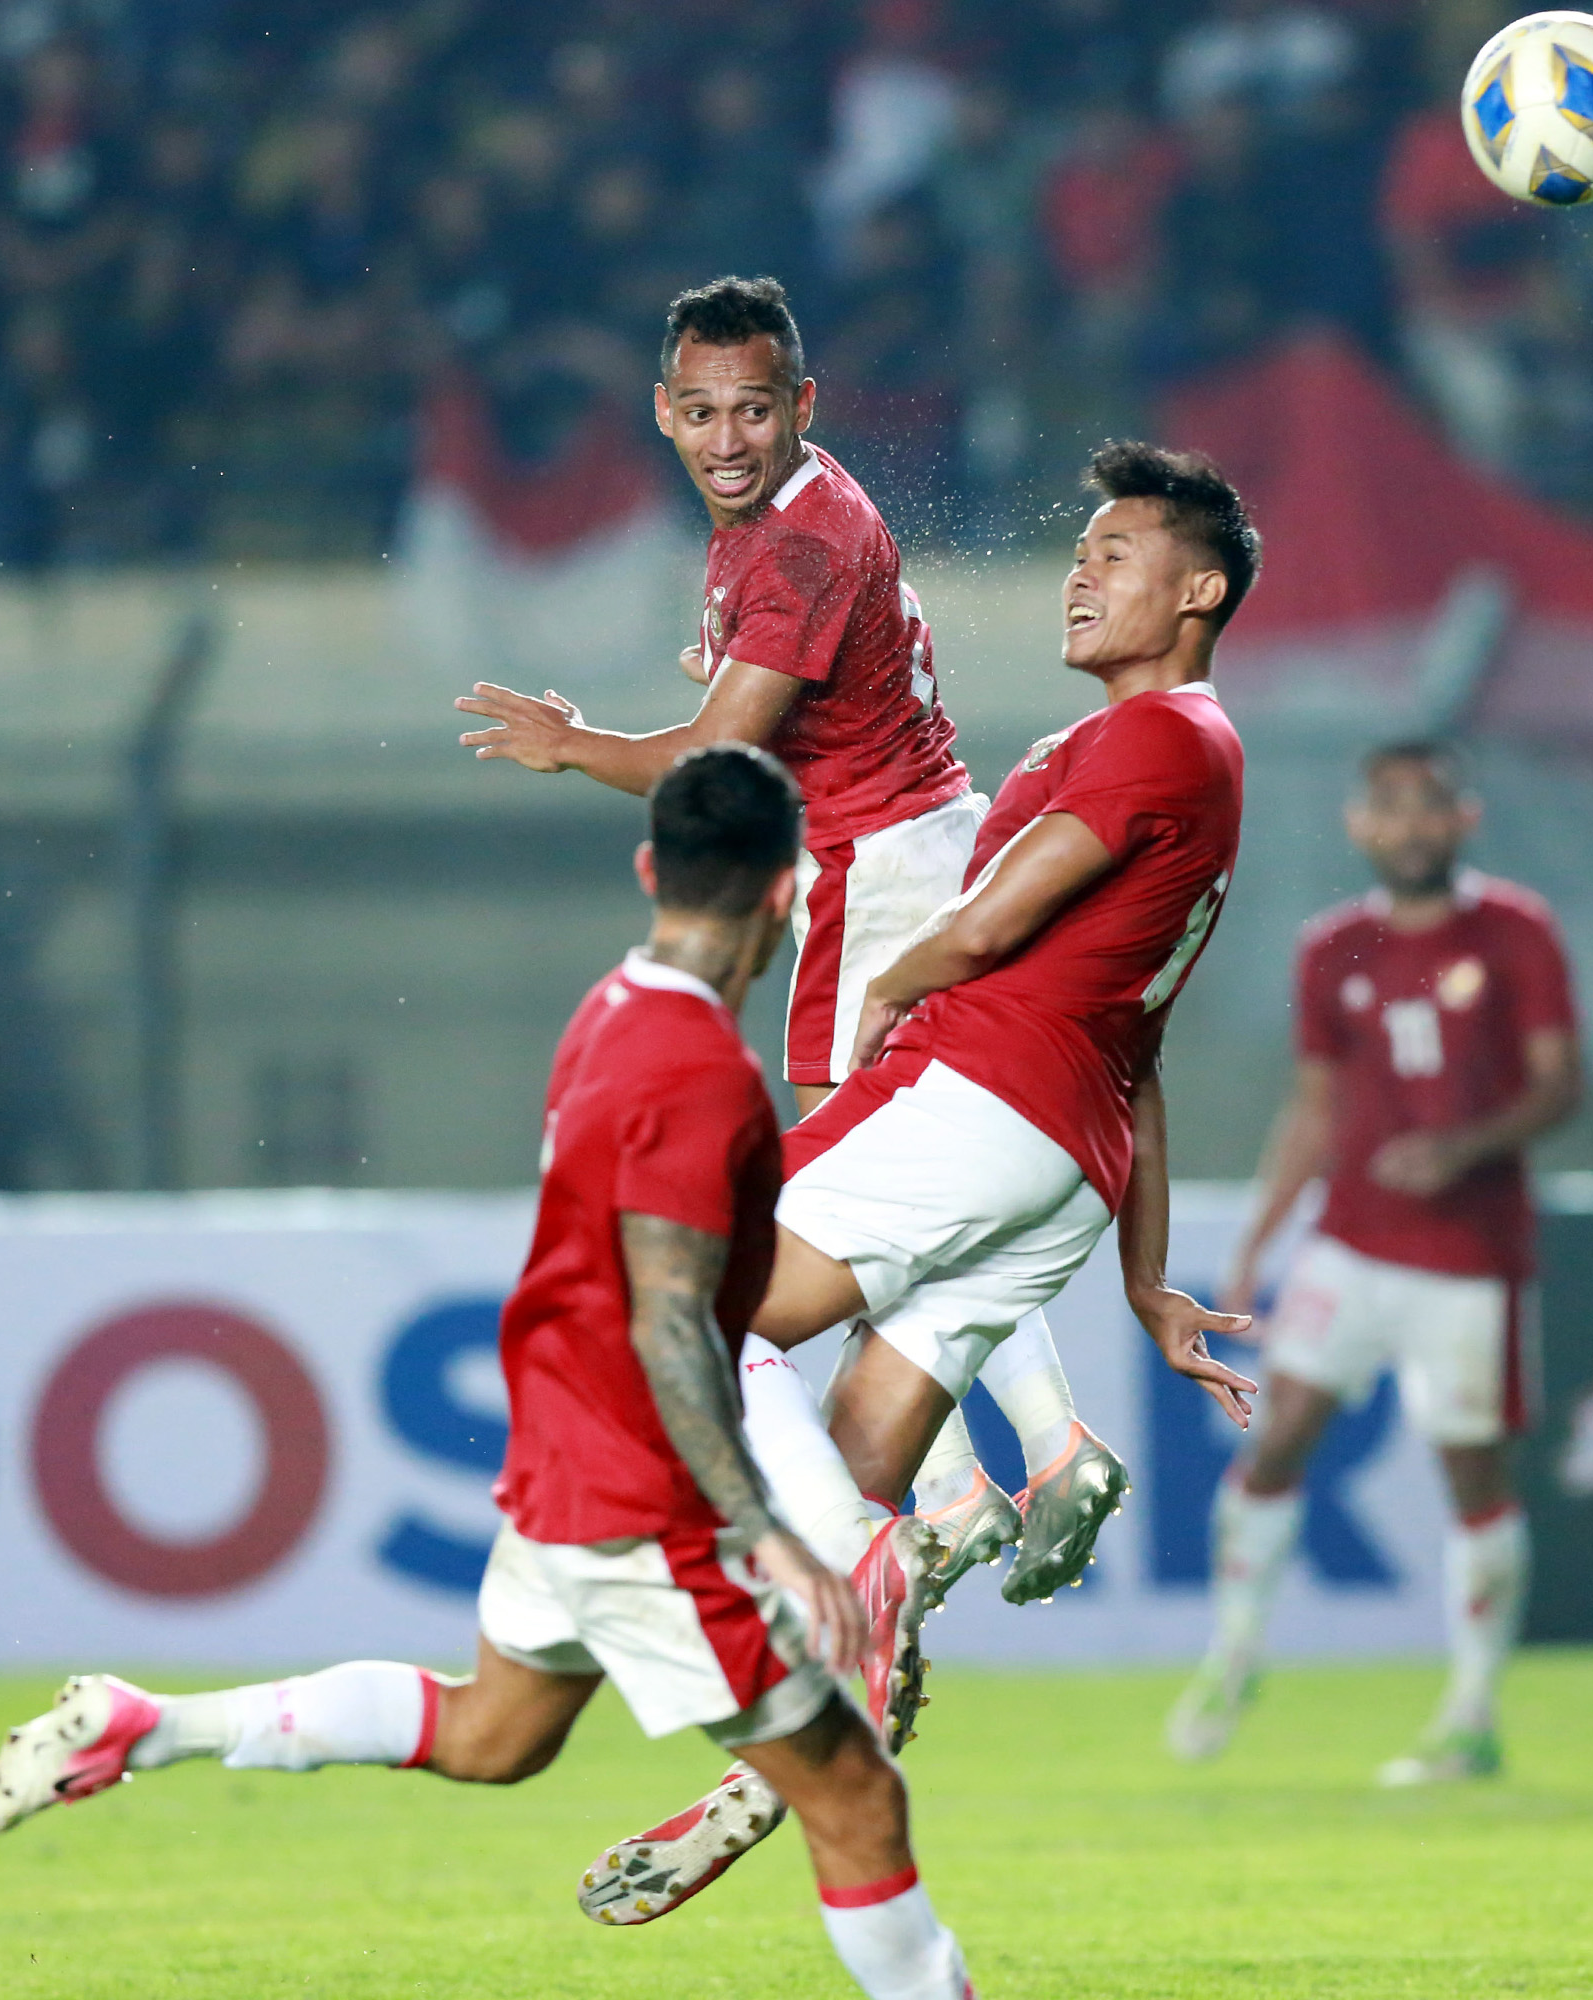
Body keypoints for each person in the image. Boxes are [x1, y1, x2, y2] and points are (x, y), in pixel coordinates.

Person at [0, 747, 983, 1996]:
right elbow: (670, 1322)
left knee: (491, 1733)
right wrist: (768, 1530)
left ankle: (156, 1722)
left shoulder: (610, 1009)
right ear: (791, 892)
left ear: (647, 868)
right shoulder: (700, 1075)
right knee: (857, 1803)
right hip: (643, 1506)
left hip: (562, 1460)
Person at [593, 439, 1267, 1915]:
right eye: (1080, 549)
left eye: (1116, 552)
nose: (1081, 573)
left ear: (1200, 589)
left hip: (974, 1093)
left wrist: (892, 988)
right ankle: (775, 1766)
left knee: (677, 1317)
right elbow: (1137, 1053)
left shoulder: (1154, 741)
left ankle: (876, 1582)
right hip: (1063, 1158)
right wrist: (1142, 1276)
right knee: (861, 1441)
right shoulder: (1179, 756)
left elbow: (985, 929)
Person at [452, 274, 1119, 1612]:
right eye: (701, 412)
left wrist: (574, 746)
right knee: (908, 1187)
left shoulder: (797, 548)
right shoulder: (783, 527)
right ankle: (1024, 1462)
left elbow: (716, 757)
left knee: (857, 1198)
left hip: (876, 881)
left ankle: (984, 1481)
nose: (727, 438)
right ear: (662, 415)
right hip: (922, 849)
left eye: (753, 410)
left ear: (802, 406)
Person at [1169, 741, 1583, 1785]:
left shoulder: (1517, 930)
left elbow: (1560, 1084)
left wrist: (1464, 1143)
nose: (1408, 825)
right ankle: (1232, 1652)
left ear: (1463, 818)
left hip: (1468, 1256)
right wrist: (1261, 1239)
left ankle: (1473, 1711)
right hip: (1350, 1242)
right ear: (1361, 825)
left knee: (1470, 1474)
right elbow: (1313, 1104)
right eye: (1389, 806)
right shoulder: (1333, 948)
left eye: (1427, 805)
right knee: (1277, 1440)